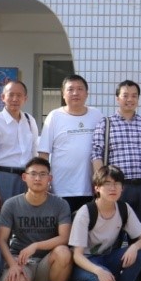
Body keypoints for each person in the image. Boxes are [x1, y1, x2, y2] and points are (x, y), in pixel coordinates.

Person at [0, 157, 74, 281]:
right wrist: (12, 264)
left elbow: (64, 238)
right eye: (33, 174)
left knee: (64, 252)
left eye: (43, 174)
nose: (38, 178)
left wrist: (36, 245)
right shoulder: (11, 204)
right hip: (21, 260)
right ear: (24, 177)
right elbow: (1, 240)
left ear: (50, 178)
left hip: (48, 263)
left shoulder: (60, 204)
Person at [68, 165, 141, 281]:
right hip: (85, 263)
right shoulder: (86, 212)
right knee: (98, 279)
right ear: (97, 188)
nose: (113, 188)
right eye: (107, 183)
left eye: (117, 183)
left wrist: (134, 247)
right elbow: (77, 255)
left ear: (122, 188)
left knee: (139, 253)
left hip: (107, 258)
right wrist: (99, 271)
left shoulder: (124, 208)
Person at [91, 80, 141, 222]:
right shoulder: (105, 123)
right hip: (116, 186)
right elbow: (96, 154)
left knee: (140, 228)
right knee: (116, 226)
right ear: (117, 98)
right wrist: (103, 183)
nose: (130, 99)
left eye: (134, 96)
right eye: (125, 95)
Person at [38, 74, 103, 213]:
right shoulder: (54, 116)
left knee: (87, 224)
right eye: (70, 89)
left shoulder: (97, 115)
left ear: (87, 93)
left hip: (90, 188)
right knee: (63, 225)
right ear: (63, 94)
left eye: (80, 89)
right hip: (61, 188)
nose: (75, 93)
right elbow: (43, 153)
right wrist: (44, 180)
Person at [0, 79, 39, 213]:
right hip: (4, 177)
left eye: (19, 95)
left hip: (28, 178)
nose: (15, 99)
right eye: (11, 95)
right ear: (3, 97)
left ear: (25, 98)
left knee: (26, 218)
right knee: (3, 218)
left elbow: (35, 152)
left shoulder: (30, 121)